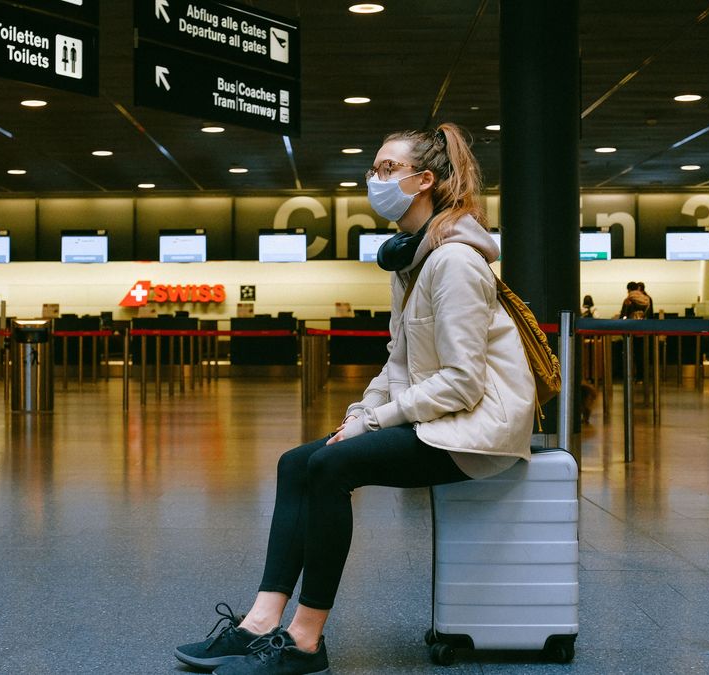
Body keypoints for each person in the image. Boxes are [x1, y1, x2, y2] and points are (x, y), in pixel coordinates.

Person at [173, 124, 536, 675]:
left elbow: (464, 382)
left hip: (476, 431)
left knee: (331, 467)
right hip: (441, 418)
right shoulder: (413, 261)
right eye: (374, 169)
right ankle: (259, 623)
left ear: (424, 181)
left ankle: (305, 641)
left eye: (387, 169)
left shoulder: (455, 262)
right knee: (296, 462)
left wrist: (379, 421)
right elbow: (399, 360)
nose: (375, 179)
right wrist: (363, 414)